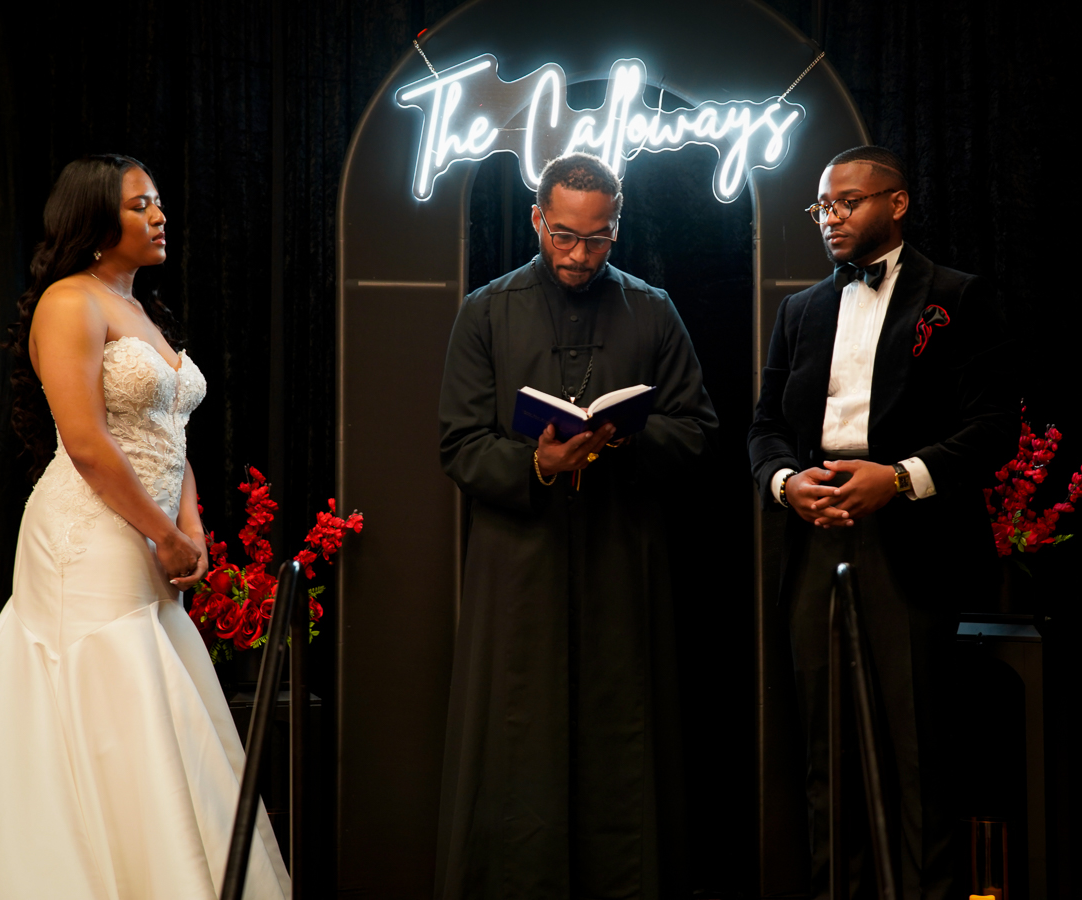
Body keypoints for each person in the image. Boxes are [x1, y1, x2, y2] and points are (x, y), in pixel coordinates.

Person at [0, 154, 290, 899]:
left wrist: (189, 522)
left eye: (159, 202)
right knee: (105, 691)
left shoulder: (142, 310)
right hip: (87, 535)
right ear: (97, 222)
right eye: (141, 206)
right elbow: (87, 442)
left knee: (147, 707)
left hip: (148, 528)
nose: (160, 216)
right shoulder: (70, 303)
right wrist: (161, 536)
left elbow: (172, 438)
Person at [435, 152, 718, 900]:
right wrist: (542, 464)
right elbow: (459, 446)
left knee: (621, 744)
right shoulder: (485, 312)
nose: (576, 254)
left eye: (595, 240)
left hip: (621, 559)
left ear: (617, 228)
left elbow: (696, 430)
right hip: (518, 567)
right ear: (537, 218)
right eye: (563, 235)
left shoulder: (652, 309)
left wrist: (623, 440)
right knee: (516, 741)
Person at [747, 146, 1017, 898]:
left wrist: (898, 480)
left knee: (916, 754)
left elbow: (995, 427)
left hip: (908, 539)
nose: (830, 218)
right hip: (813, 532)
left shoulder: (958, 297)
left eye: (847, 202)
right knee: (823, 755)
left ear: (896, 204)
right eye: (822, 207)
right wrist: (785, 484)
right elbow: (764, 426)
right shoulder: (800, 309)